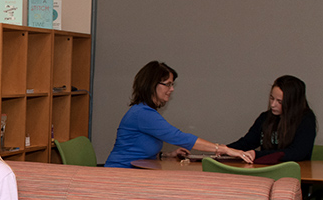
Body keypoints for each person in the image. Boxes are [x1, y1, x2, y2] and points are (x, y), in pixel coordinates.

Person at [106, 61, 253, 168]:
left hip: (136, 172)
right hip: (121, 174)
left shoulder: (145, 112)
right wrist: (224, 149)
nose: (172, 89)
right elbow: (180, 137)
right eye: (168, 84)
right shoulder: (142, 114)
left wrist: (166, 155)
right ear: (152, 85)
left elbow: (139, 150)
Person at [228, 75, 317, 164]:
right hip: (266, 170)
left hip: (294, 171)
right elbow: (247, 143)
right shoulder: (265, 118)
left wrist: (257, 154)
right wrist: (224, 150)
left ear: (292, 103)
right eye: (271, 98)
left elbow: (297, 153)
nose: (273, 104)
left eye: (280, 102)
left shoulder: (306, 119)